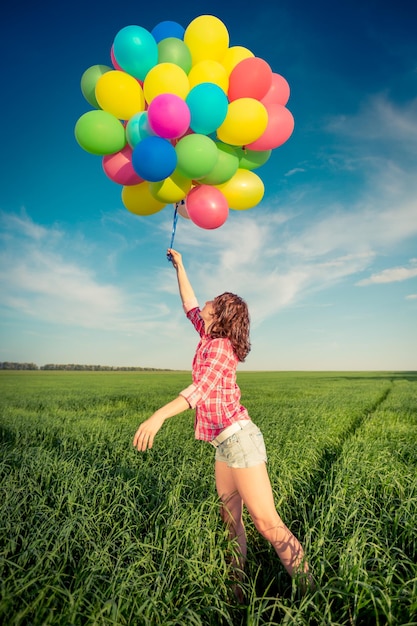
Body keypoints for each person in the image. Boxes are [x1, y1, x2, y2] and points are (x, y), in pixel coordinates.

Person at [133, 248, 312, 597]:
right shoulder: (207, 336)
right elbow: (188, 304)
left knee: (267, 523)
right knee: (231, 522)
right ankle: (237, 590)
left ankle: (312, 590)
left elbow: (198, 391)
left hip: (240, 441)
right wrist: (181, 266)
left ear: (222, 316)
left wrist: (158, 416)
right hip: (223, 445)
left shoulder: (219, 348)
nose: (206, 304)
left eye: (212, 302)